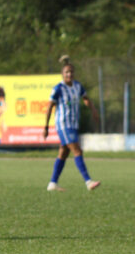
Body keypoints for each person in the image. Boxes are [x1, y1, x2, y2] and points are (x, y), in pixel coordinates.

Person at [43, 55, 101, 191]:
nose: (69, 74)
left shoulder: (77, 86)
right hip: (63, 125)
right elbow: (50, 106)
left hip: (73, 125)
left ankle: (52, 183)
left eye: (71, 72)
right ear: (62, 74)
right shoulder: (58, 88)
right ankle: (88, 181)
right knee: (77, 150)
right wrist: (45, 127)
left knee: (63, 153)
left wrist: (93, 109)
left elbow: (85, 98)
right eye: (66, 72)